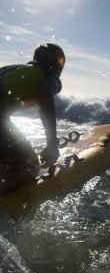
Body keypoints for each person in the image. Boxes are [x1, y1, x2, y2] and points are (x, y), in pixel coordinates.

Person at [0, 43, 65, 195]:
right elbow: (44, 91)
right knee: (29, 166)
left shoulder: (18, 70)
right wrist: (52, 144)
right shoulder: (48, 78)